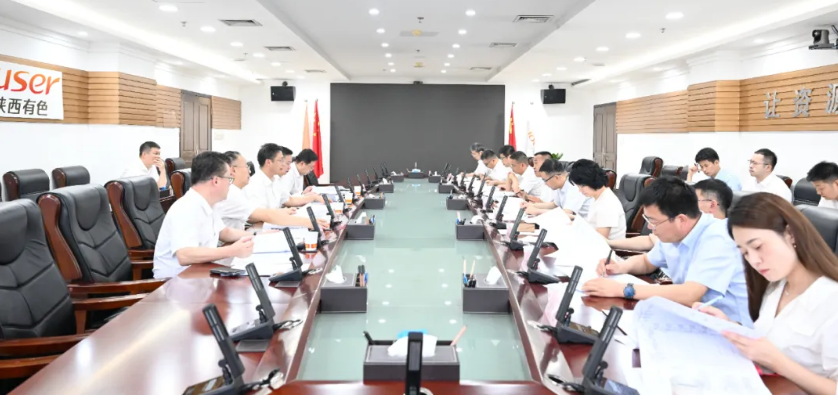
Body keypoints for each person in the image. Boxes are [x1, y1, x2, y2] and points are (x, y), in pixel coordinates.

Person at [695, 193, 838, 395]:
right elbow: (770, 340)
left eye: (758, 247)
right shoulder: (776, 286)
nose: (754, 260)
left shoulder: (831, 300)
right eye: (745, 253)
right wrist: (729, 327)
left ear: (791, 234)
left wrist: (777, 361)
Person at [583, 177, 751, 326]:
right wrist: (620, 267)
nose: (650, 227)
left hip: (732, 328)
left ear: (680, 220)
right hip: (694, 316)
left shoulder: (718, 237)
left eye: (653, 221)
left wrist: (623, 289)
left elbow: (690, 294)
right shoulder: (674, 233)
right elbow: (647, 262)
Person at [153, 151, 254, 279]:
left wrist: (256, 236)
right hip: (175, 282)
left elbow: (224, 232)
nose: (230, 184)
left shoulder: (209, 202)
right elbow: (184, 255)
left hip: (199, 273)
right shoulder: (187, 207)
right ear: (216, 181)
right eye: (229, 179)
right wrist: (232, 250)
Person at [214, 151, 329, 231]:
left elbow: (284, 202)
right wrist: (308, 222)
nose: (249, 171)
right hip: (234, 242)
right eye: (246, 167)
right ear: (233, 170)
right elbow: (262, 215)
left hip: (241, 236)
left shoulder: (237, 190)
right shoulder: (233, 192)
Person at [608, 178, 732, 251]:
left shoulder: (720, 236)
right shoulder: (689, 226)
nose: (689, 203)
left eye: (695, 200)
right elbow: (650, 241)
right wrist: (609, 243)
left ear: (712, 204)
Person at [244, 143, 320, 209]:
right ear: (269, 162)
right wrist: (283, 212)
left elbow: (289, 200)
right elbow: (261, 215)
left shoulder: (275, 180)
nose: (283, 164)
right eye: (280, 161)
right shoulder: (255, 183)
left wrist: (314, 197)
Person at [568, 159, 626, 240]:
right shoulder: (597, 197)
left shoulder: (607, 203)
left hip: (606, 246)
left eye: (582, 186)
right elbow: (593, 223)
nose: (580, 190)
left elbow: (600, 238)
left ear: (591, 180)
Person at [525, 159, 591, 218]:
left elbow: (567, 213)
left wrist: (537, 211)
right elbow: (555, 204)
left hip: (586, 224)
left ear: (556, 177)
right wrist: (532, 205)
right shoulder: (561, 185)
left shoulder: (574, 186)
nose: (545, 184)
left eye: (545, 180)